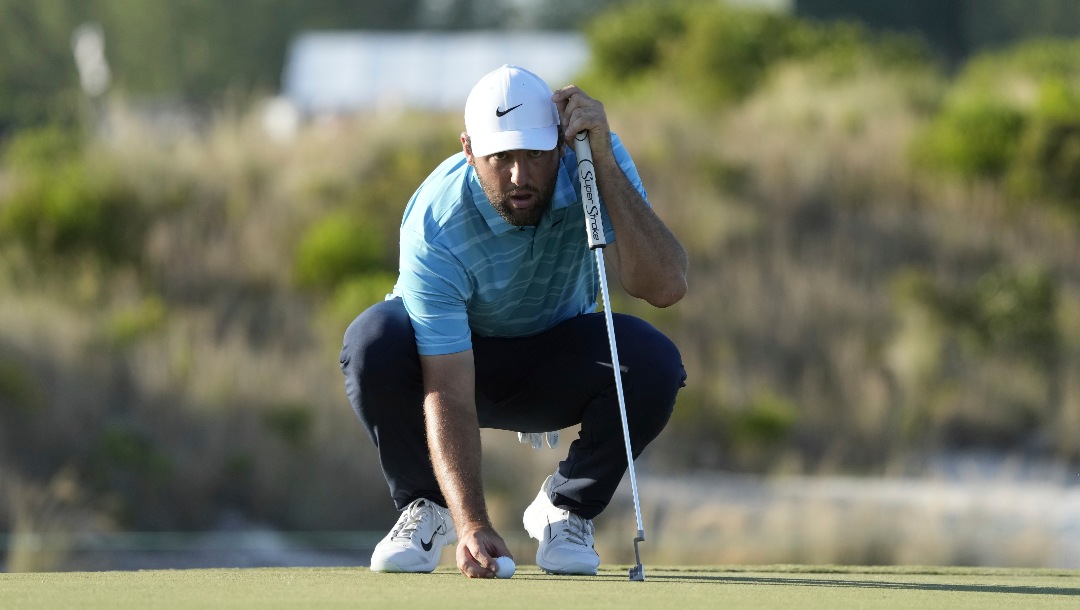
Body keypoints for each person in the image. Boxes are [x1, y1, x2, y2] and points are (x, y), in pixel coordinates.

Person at [339, 64, 688, 579]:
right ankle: (426, 507)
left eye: (535, 154)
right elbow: (449, 387)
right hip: (456, 366)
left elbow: (665, 286)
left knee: (652, 360)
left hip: (553, 355)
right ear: (468, 151)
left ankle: (566, 509)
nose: (520, 176)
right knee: (374, 341)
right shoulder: (436, 219)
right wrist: (472, 523)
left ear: (561, 146)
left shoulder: (591, 166)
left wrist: (605, 158)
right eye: (501, 158)